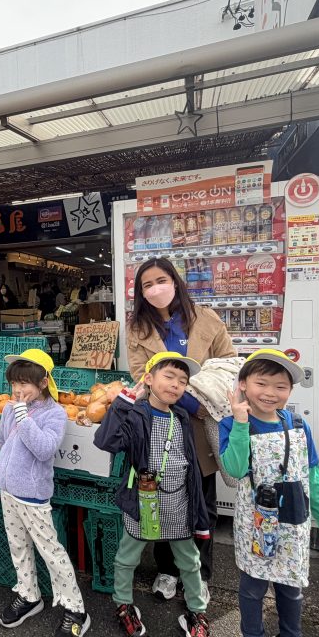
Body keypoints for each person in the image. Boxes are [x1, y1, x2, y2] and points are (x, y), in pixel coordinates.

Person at [219, 349, 319, 637]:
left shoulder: (297, 424)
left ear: (290, 391)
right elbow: (234, 469)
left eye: (281, 386)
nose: (270, 393)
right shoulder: (232, 423)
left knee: (291, 590)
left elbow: (312, 477)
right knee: (253, 587)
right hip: (255, 523)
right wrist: (241, 424)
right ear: (243, 385)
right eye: (261, 383)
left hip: (293, 524)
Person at [126, 257, 236, 601]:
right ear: (141, 293)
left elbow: (229, 363)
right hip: (162, 423)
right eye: (147, 285)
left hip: (203, 426)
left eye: (161, 280)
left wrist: (207, 402)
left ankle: (201, 572)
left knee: (203, 502)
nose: (155, 288)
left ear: (175, 281)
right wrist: (189, 402)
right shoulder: (137, 328)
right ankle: (167, 569)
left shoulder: (206, 319)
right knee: (161, 498)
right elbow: (137, 373)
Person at [94, 352, 212, 637]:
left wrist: (197, 504)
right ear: (148, 379)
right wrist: (122, 402)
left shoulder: (181, 416)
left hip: (178, 502)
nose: (175, 385)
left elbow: (190, 464)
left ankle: (197, 611)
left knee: (188, 558)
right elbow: (105, 441)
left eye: (182, 381)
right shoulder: (136, 413)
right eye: (168, 377)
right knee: (128, 555)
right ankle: (123, 604)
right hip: (143, 500)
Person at [0, 348, 90, 637]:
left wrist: (23, 416)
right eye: (15, 383)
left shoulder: (55, 413)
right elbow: (2, 442)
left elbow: (45, 449)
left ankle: (76, 608)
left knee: (51, 550)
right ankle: (29, 594)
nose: (18, 390)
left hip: (33, 496)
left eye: (25, 383)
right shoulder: (9, 409)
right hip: (8, 490)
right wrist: (7, 471)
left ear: (44, 381)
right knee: (18, 546)